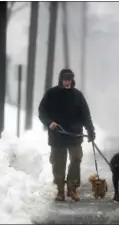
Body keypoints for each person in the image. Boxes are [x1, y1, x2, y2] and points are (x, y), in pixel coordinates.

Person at [38, 68, 96, 201]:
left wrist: (91, 131)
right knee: (58, 163)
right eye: (65, 79)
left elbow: (86, 115)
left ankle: (72, 188)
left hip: (74, 134)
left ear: (72, 80)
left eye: (69, 80)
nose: (67, 82)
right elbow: (42, 111)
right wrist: (49, 122)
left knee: (76, 159)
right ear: (61, 79)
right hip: (57, 134)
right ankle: (60, 190)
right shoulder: (51, 94)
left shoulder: (77, 95)